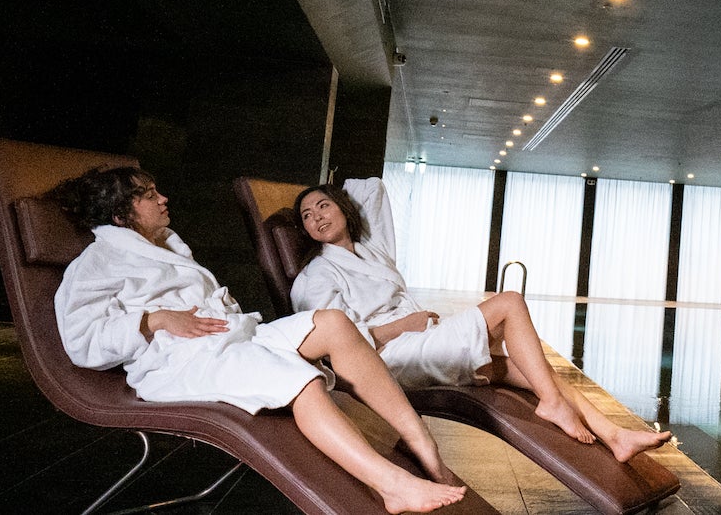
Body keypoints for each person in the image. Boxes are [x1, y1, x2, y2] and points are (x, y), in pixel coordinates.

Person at [51, 166, 466, 515]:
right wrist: (153, 319)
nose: (163, 199)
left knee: (337, 324)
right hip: (183, 361)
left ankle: (422, 445)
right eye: (148, 195)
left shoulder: (165, 245)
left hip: (231, 337)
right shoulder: (97, 262)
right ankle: (391, 484)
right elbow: (80, 341)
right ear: (121, 216)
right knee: (299, 379)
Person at [290, 185, 672, 464]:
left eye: (324, 206)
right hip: (390, 358)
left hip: (422, 340)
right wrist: (403, 325)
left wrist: (415, 324)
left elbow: (370, 188)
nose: (317, 217)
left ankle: (615, 435)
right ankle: (552, 404)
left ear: (343, 209)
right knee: (509, 303)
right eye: (306, 216)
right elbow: (335, 345)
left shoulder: (371, 251)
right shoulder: (317, 275)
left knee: (531, 369)